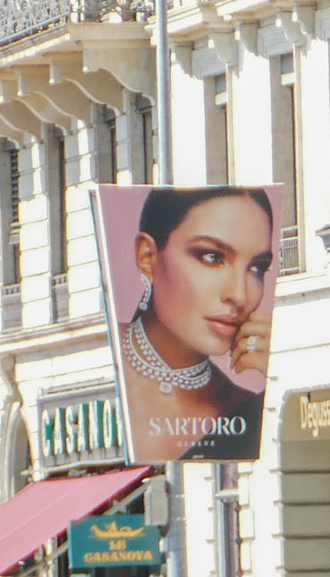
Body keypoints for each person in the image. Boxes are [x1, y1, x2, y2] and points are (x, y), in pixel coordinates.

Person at [116, 188, 277, 463]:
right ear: (147, 257)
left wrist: (274, 381)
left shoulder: (242, 404)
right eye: (212, 257)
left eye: (256, 268)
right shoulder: (107, 365)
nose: (239, 295)